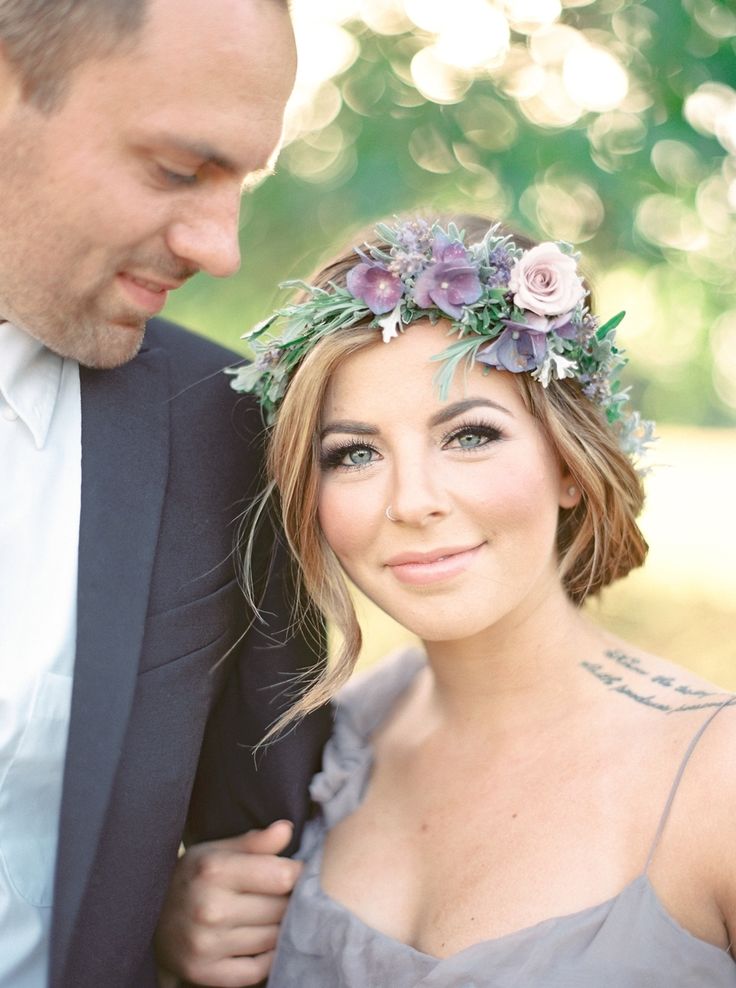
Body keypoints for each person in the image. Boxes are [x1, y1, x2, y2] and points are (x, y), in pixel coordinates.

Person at [168, 214, 736, 985]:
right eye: (355, 453)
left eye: (469, 435)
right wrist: (169, 934)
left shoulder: (715, 782)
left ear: (569, 463)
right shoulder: (318, 751)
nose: (412, 501)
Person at [0, 2, 331, 987]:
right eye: (179, 171)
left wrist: (170, 926)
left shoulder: (222, 436)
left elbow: (274, 839)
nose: (221, 247)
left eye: (240, 181)